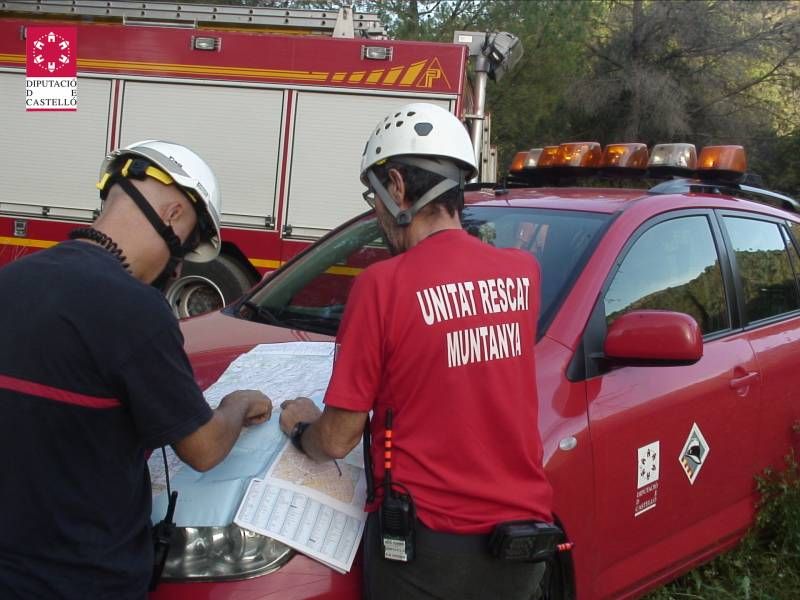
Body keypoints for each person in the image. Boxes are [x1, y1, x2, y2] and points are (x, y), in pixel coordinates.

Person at [280, 103, 554, 599]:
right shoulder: (522, 273)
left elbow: (339, 439)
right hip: (522, 541)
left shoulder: (383, 285)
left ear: (398, 188)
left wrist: (302, 429)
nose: (378, 213)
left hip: (428, 548)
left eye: (376, 197)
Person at [0, 140, 271, 600]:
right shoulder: (135, 309)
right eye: (182, 251)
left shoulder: (12, 280)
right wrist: (237, 403)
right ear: (173, 217)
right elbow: (203, 449)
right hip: (84, 578)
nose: (175, 265)